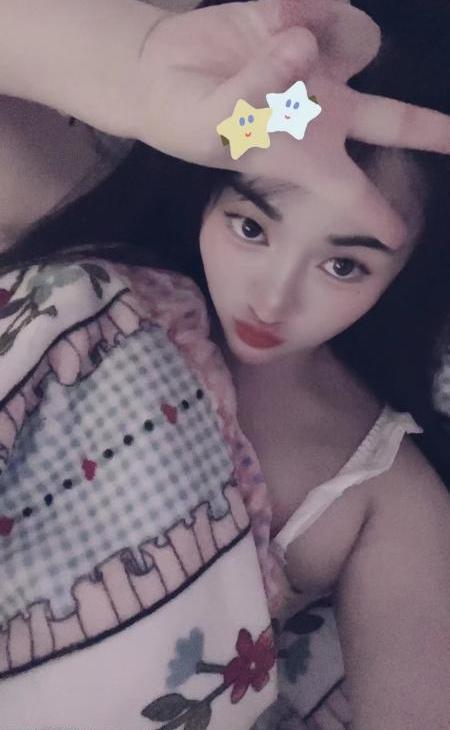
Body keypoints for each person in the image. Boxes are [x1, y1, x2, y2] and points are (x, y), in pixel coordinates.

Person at [0, 1, 449, 729]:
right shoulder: (99, 245)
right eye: (250, 225)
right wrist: (141, 73)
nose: (273, 297)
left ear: (408, 273)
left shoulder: (385, 495)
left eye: (343, 265)